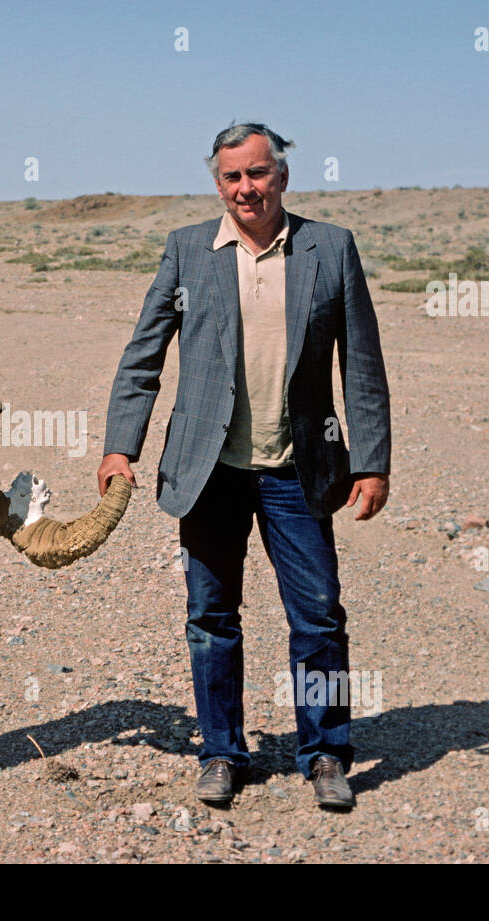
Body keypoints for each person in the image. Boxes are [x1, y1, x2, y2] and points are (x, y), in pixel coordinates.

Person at [97, 123, 391, 809]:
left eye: (258, 174)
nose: (246, 188)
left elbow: (364, 367)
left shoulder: (330, 247)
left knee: (319, 618)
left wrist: (371, 461)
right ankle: (222, 752)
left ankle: (324, 754)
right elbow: (144, 355)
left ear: (282, 177)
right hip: (210, 470)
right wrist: (120, 446)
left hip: (300, 470)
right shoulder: (187, 251)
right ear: (217, 182)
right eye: (232, 177)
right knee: (211, 615)